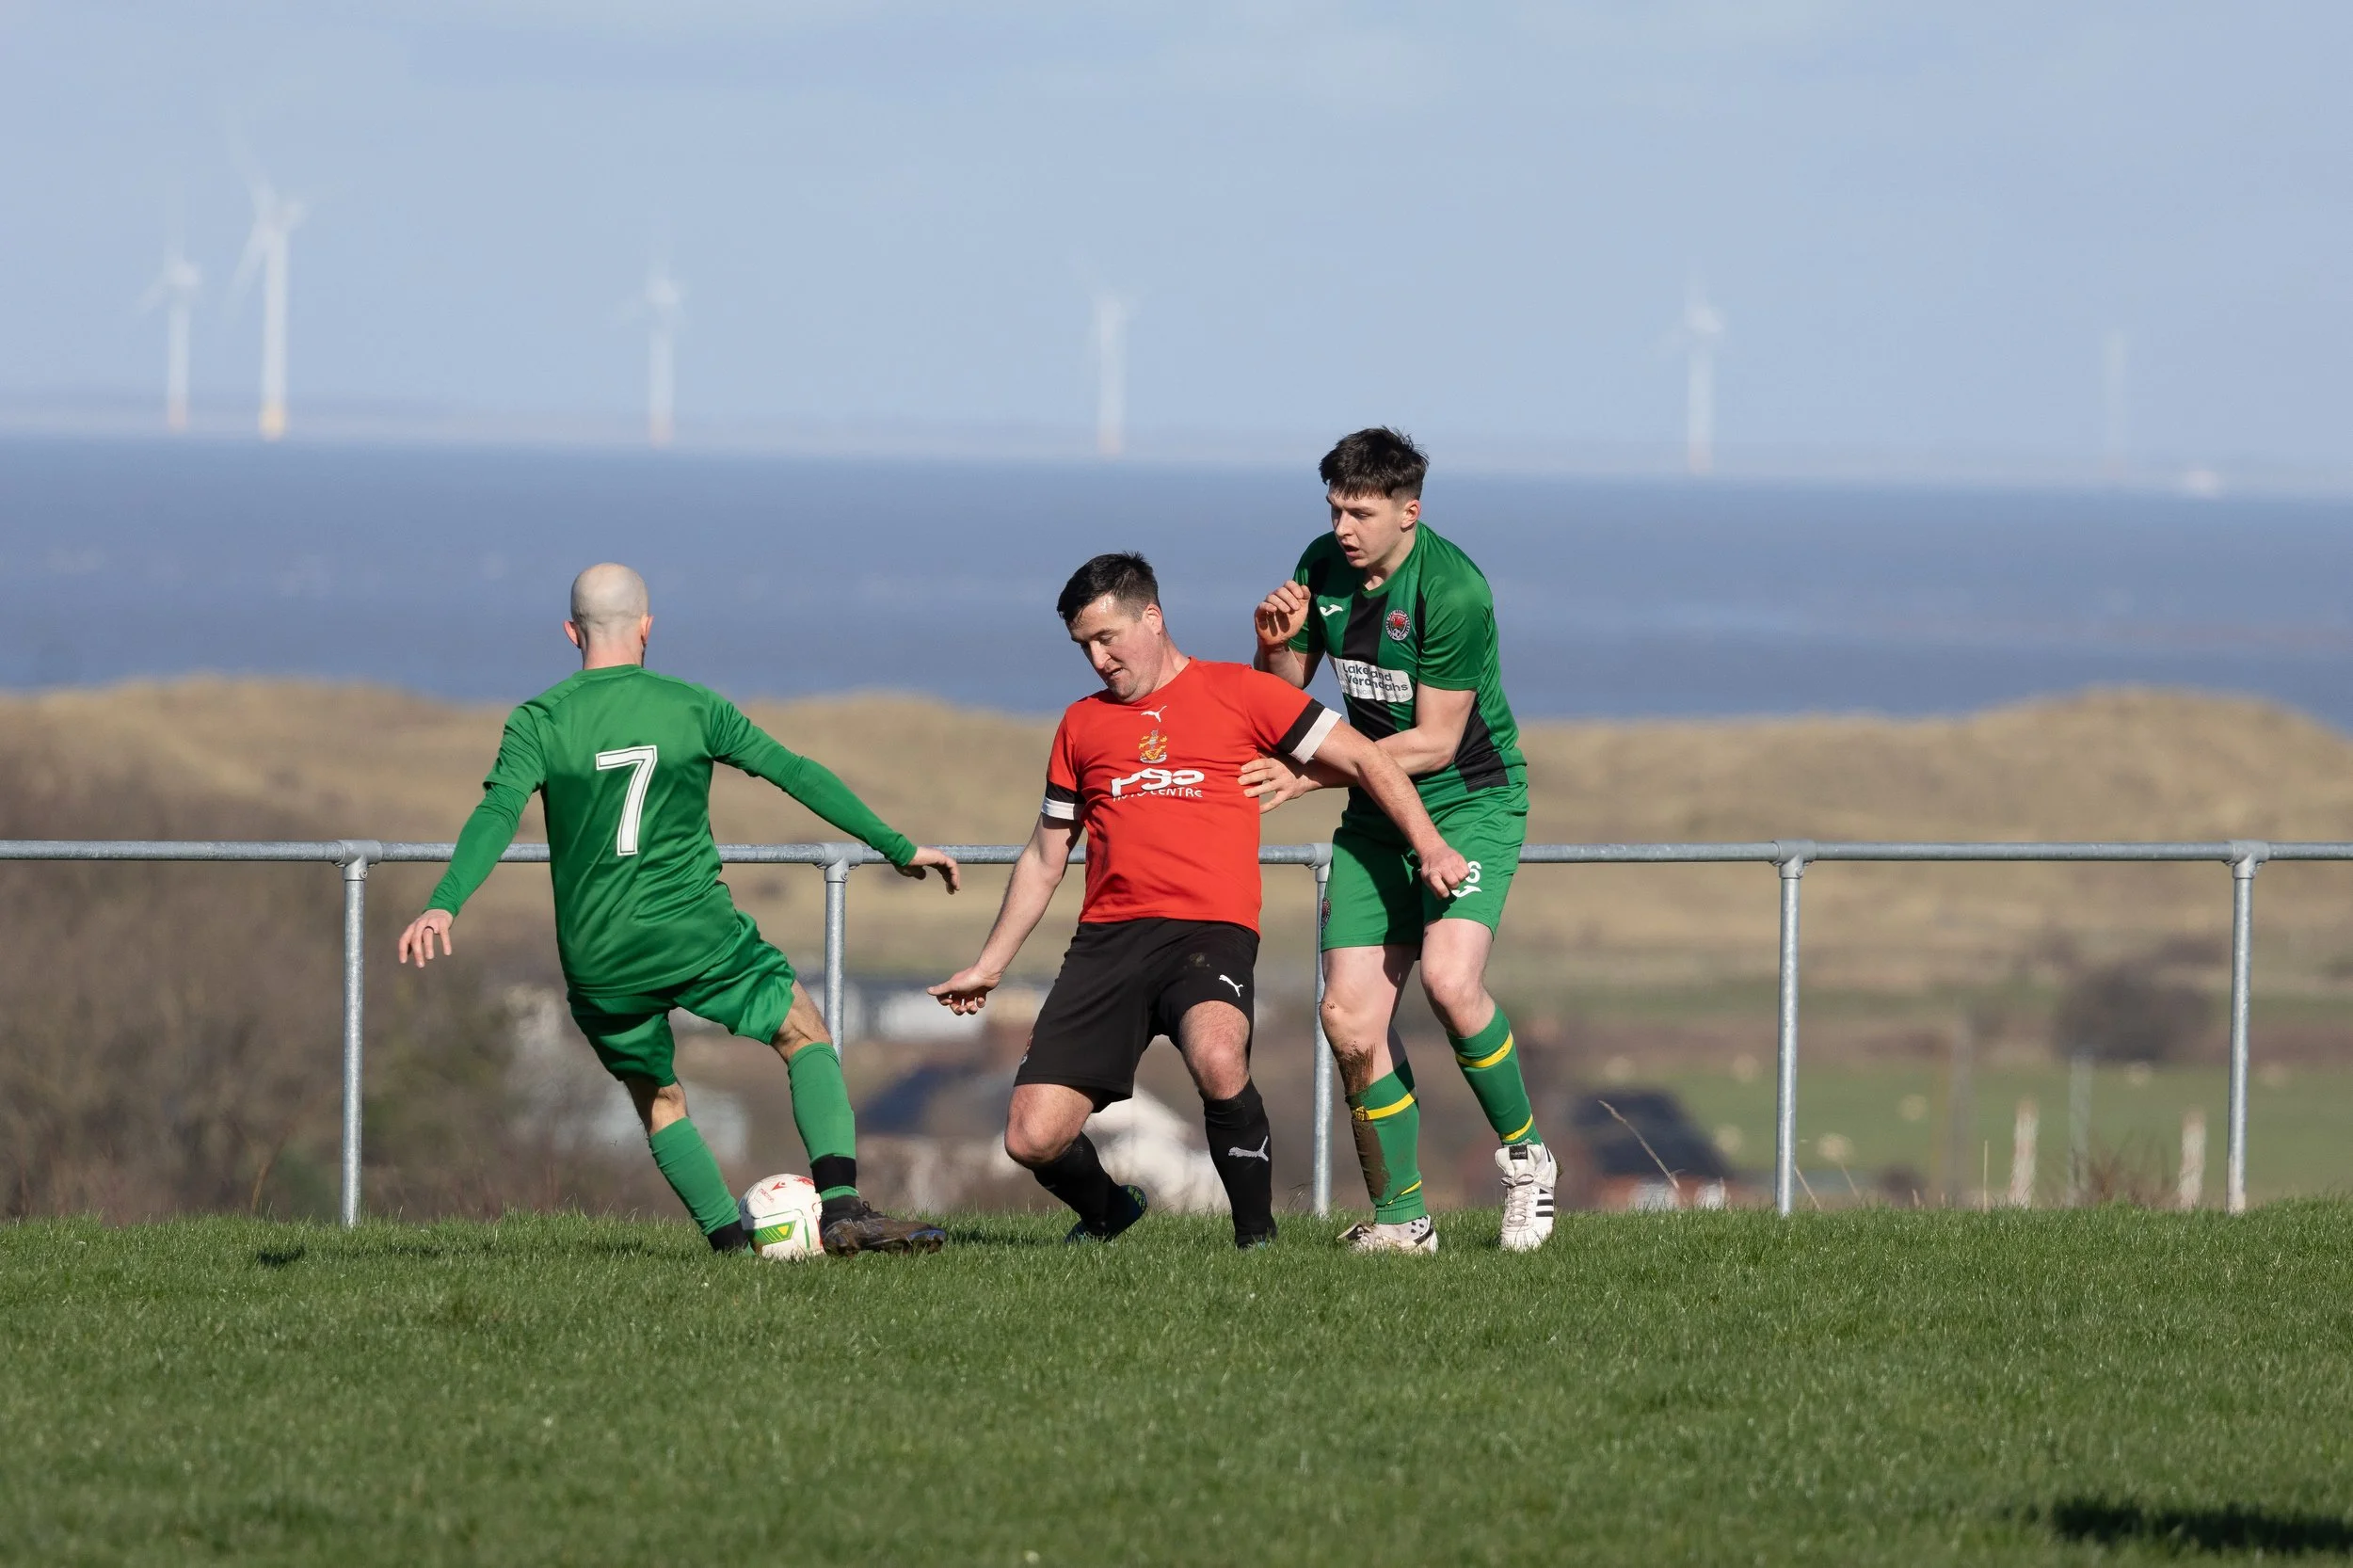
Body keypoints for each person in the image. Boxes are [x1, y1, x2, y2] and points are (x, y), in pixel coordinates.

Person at [397, 563, 959, 1256]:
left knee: (659, 1100)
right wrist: (897, 847)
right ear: (647, 627)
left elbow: (495, 814)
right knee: (802, 1032)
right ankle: (842, 1207)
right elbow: (797, 773)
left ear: (571, 633)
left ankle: (729, 1245)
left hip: (599, 958)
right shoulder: (693, 706)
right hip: (695, 934)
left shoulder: (538, 721)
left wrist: (444, 905)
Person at [928, 552, 1468, 1248]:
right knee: (1030, 1137)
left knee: (1219, 1056)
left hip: (1208, 932)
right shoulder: (1080, 726)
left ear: (1152, 618)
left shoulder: (1241, 692)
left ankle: (1256, 1243)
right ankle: (1109, 1212)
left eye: (1107, 638)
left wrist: (1429, 844)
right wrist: (990, 964)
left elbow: (1367, 757)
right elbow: (1044, 856)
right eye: (1084, 647)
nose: (1097, 659)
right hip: (1107, 943)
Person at [1246, 427, 1559, 1254]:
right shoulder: (1320, 564)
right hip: (1374, 814)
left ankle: (1528, 1162)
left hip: (1469, 805)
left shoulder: (1451, 591)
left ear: (1408, 511)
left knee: (1453, 986)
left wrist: (1311, 776)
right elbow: (1285, 702)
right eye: (1335, 509)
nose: (1343, 527)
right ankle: (1401, 1221)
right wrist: (1274, 644)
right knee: (1349, 1021)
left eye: (1361, 511)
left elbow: (1435, 743)